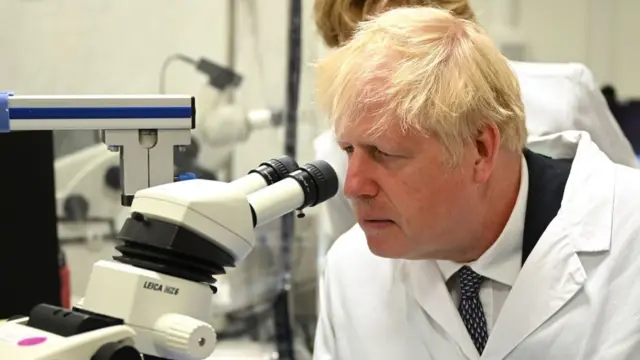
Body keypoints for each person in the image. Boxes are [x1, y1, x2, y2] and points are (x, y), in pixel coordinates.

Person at [312, 7, 640, 359]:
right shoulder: (349, 272)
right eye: (348, 149)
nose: (353, 186)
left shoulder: (629, 239)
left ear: (481, 150)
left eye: (383, 152)